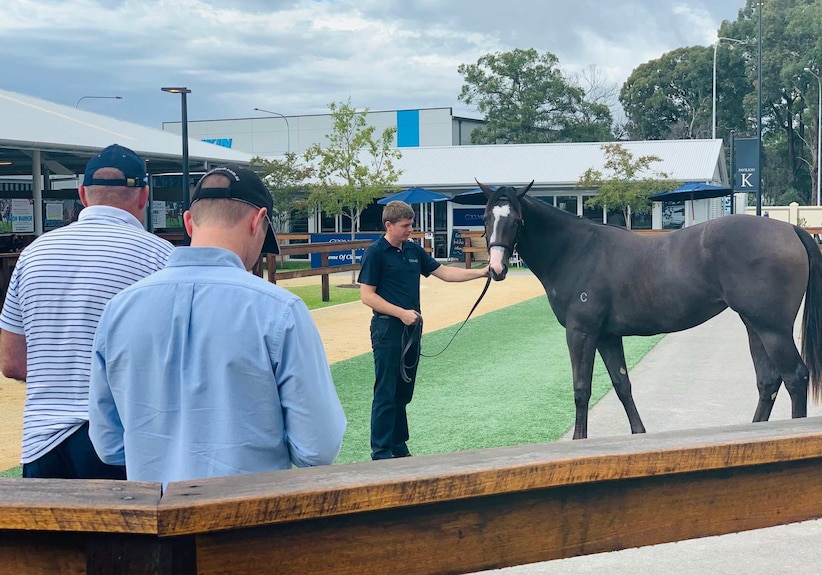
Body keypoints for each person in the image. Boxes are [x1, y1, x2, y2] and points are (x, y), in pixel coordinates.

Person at [88, 164, 346, 486]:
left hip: (158, 519)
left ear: (188, 222)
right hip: (247, 522)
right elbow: (318, 448)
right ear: (258, 220)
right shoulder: (279, 309)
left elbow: (109, 445)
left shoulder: (119, 309)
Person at [0, 144, 173, 479]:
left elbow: (12, 362)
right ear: (144, 196)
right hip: (122, 439)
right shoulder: (159, 256)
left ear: (82, 194)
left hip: (42, 441)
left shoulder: (34, 254)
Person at [358, 200, 488, 460]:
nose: (409, 230)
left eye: (411, 225)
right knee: (386, 390)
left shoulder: (414, 251)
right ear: (389, 225)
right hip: (387, 329)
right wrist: (401, 313)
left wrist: (483, 272)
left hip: (411, 330)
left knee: (403, 392)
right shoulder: (375, 253)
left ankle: (398, 444)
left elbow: (446, 273)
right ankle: (381, 451)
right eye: (405, 226)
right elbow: (367, 296)